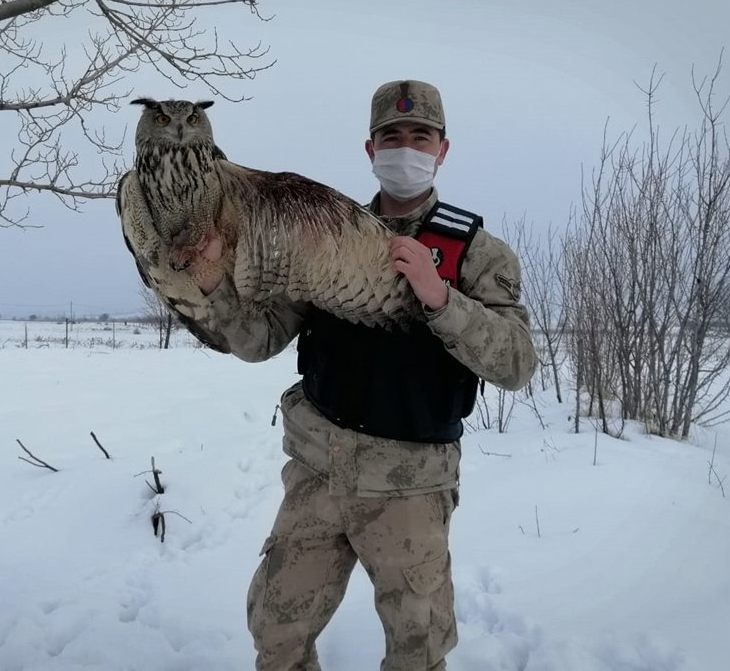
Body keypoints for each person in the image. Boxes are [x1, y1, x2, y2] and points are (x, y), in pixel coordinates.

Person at [185, 79, 537, 670]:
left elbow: (517, 363)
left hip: (410, 487)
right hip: (318, 471)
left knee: (417, 646)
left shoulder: (479, 253)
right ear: (370, 151)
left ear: (442, 149)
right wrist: (214, 283)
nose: (405, 147)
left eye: (419, 136)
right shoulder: (322, 235)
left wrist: (438, 296)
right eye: (390, 137)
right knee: (275, 628)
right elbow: (260, 340)